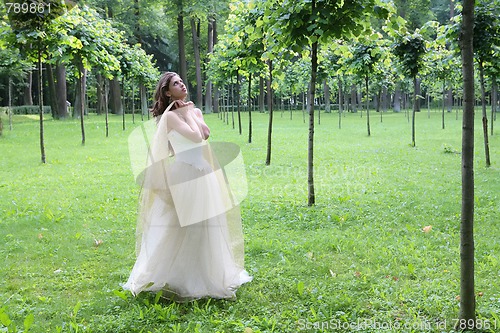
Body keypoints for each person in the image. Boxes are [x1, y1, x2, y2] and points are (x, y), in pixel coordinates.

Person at [123, 72, 252, 301]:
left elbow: (205, 133)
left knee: (207, 226)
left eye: (182, 81)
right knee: (180, 227)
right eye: (175, 83)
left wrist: (191, 112)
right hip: (184, 174)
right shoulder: (171, 116)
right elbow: (194, 136)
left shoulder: (194, 111)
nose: (182, 85)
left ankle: (206, 273)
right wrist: (186, 112)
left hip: (203, 173)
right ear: (167, 92)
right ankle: (176, 276)